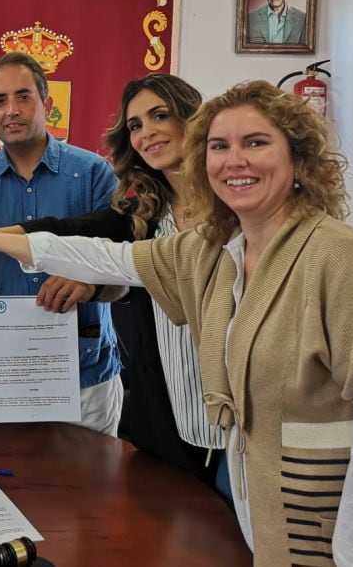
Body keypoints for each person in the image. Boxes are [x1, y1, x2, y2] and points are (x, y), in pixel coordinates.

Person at [0, 80, 353, 566]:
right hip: (273, 525)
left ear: (299, 156)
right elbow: (99, 255)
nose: (233, 160)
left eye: (256, 143)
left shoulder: (347, 259)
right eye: (219, 147)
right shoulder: (212, 252)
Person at [18, 74, 229, 497]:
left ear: (194, 119)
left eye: (159, 116)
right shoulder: (139, 217)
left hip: (235, 421)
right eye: (135, 125)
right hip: (163, 418)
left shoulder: (235, 207)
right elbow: (66, 233)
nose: (147, 132)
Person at [0, 52, 123, 436]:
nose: (11, 110)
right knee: (17, 487)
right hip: (12, 373)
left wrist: (86, 282)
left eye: (23, 97)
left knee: (92, 492)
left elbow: (121, 263)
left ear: (47, 104)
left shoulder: (93, 172)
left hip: (86, 372)